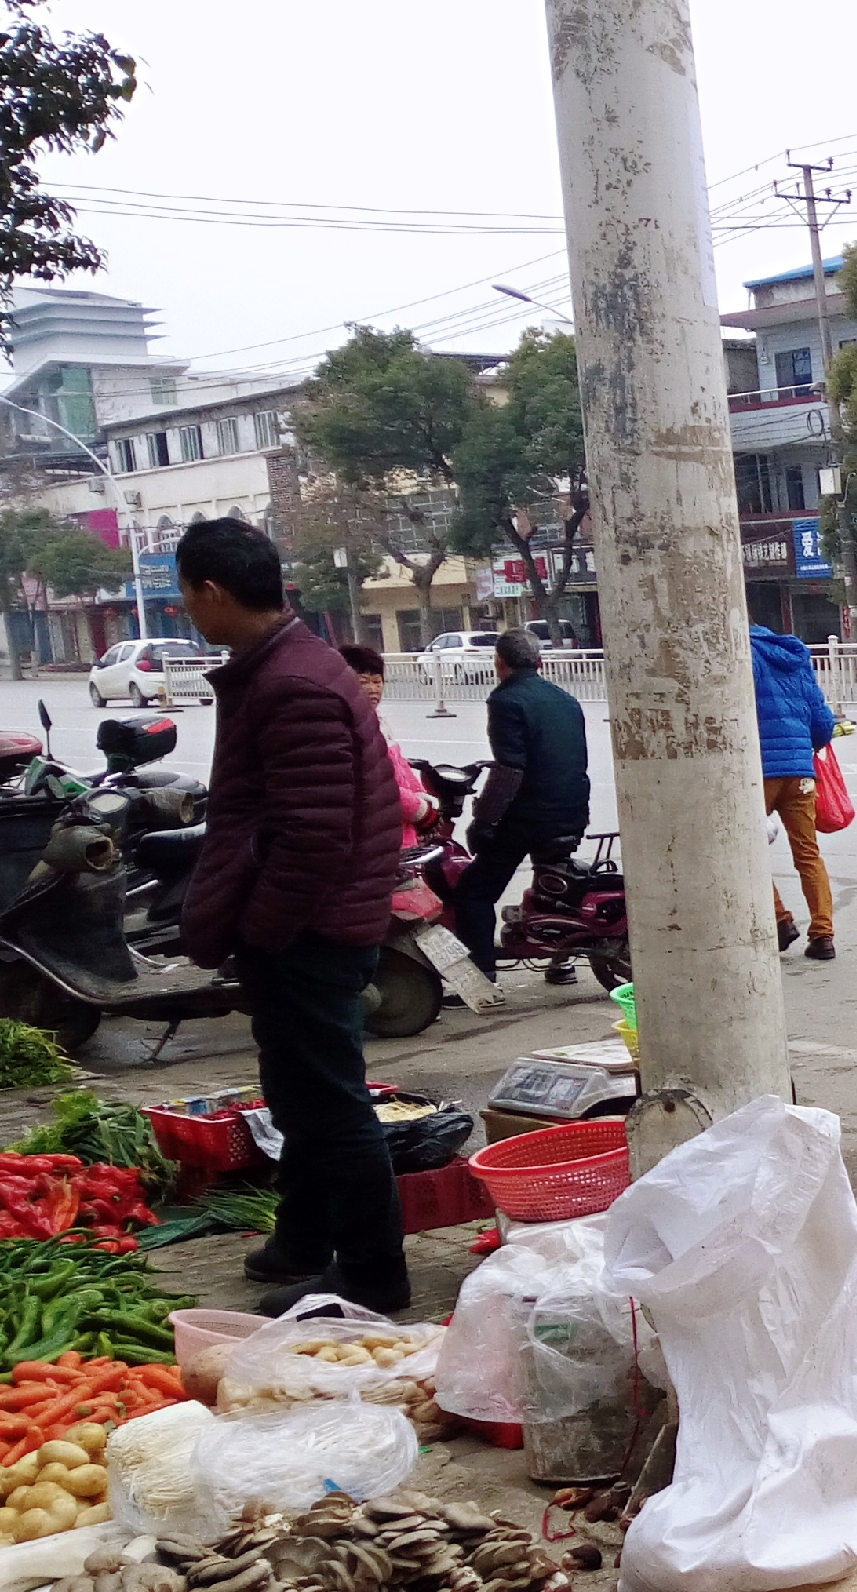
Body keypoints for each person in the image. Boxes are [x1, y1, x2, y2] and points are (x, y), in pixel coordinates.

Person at [172, 519, 408, 1314]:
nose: (187, 611)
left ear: (211, 590)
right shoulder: (287, 666)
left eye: (185, 594)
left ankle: (373, 1273)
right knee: (300, 1093)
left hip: (312, 929)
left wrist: (264, 930)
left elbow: (312, 836)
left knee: (331, 1103)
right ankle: (301, 1241)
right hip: (314, 924)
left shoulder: (294, 684)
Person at [450, 629, 593, 980]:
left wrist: (483, 820)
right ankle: (563, 963)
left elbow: (509, 770)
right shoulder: (565, 698)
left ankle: (481, 977)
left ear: (500, 663)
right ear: (539, 662)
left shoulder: (505, 700)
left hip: (531, 818)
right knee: (554, 884)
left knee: (474, 892)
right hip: (573, 810)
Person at [751, 621, 839, 961]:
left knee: (748, 849)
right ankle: (823, 935)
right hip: (801, 771)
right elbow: (822, 723)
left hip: (759, 771)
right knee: (808, 853)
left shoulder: (743, 653)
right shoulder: (796, 656)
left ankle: (780, 920)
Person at [337, 644, 426, 848]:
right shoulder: (348, 728)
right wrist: (419, 810)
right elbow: (379, 783)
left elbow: (401, 765)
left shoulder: (378, 720)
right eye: (363, 682)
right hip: (380, 834)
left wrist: (421, 797)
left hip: (401, 827)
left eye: (377, 681)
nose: (373, 689)